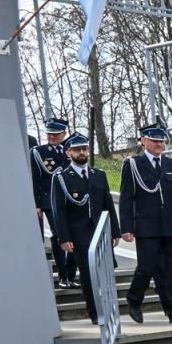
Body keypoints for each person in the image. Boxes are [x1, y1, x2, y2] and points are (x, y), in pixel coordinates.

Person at [118, 123, 172, 324]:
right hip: (147, 225)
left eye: (162, 141)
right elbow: (127, 197)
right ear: (143, 141)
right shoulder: (133, 164)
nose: (159, 144)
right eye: (154, 140)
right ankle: (134, 299)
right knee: (148, 266)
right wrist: (126, 227)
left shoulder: (171, 165)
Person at [47, 133, 119, 324]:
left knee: (106, 272)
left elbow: (108, 205)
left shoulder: (99, 175)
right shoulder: (62, 178)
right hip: (79, 234)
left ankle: (110, 309)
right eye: (77, 150)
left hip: (100, 232)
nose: (82, 152)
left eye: (84, 149)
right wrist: (63, 237)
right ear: (68, 152)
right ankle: (95, 313)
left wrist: (115, 231)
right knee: (88, 276)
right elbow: (58, 211)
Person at [30, 117, 73, 287]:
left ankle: (70, 275)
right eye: (49, 134)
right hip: (49, 199)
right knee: (59, 235)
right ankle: (63, 275)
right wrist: (37, 204)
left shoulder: (70, 150)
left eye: (56, 134)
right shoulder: (38, 152)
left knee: (73, 235)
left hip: (71, 199)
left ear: (63, 134)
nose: (52, 137)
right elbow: (34, 179)